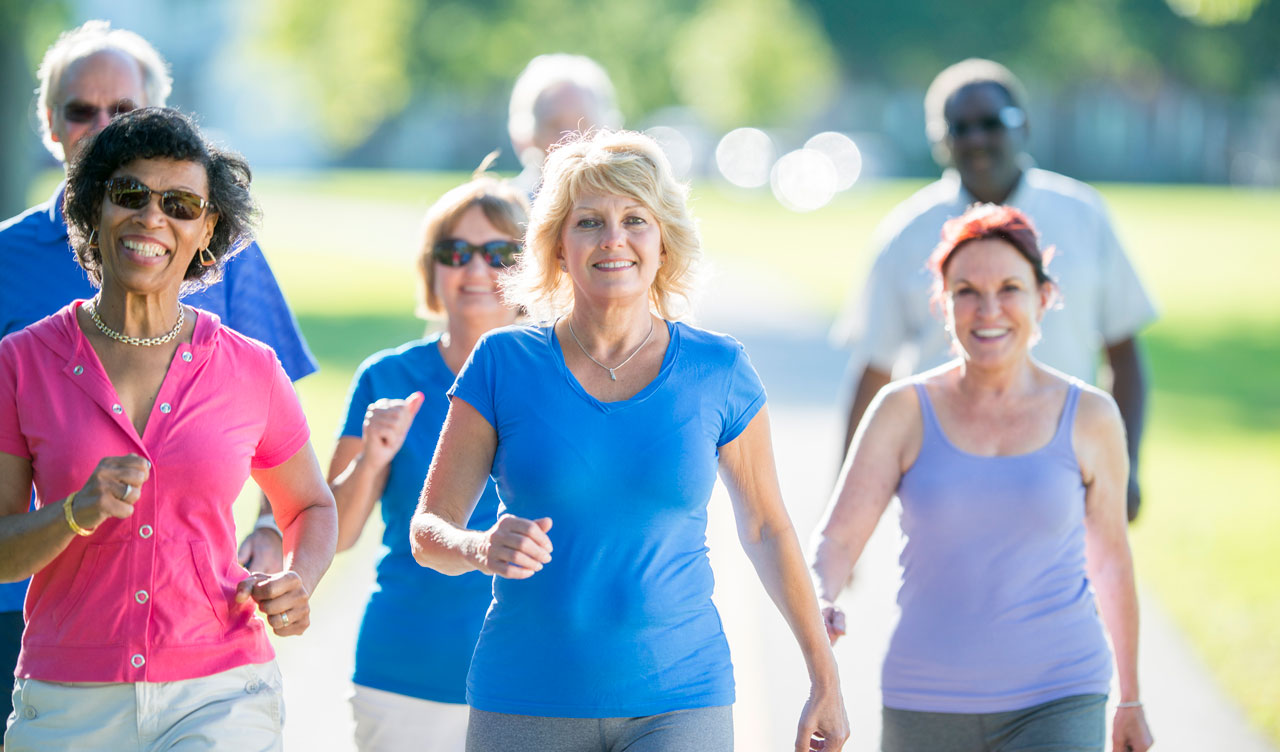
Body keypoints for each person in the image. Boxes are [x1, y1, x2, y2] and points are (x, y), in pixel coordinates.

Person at [410, 130, 848, 752]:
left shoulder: (718, 369)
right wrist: (480, 546)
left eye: (634, 219)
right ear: (558, 246)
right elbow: (429, 530)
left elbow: (767, 529)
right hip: (525, 697)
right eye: (589, 221)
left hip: (680, 699)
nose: (613, 239)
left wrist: (823, 678)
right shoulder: (503, 362)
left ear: (663, 240)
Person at [0, 22, 316, 728]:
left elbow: (299, 488)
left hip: (218, 684)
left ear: (208, 232)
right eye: (130, 194)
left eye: (180, 206)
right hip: (61, 666)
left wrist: (286, 559)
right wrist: (75, 511)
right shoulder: (20, 349)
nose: (153, 217)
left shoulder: (247, 350)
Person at [812, 204, 1153, 752]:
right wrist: (820, 596)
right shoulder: (902, 409)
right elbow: (838, 538)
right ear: (942, 306)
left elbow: (1111, 558)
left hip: (1060, 694)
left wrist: (1131, 698)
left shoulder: (1091, 415)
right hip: (923, 697)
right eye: (966, 290)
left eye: (1010, 288)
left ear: (1044, 298)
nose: (987, 308)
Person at [830, 58, 1156, 521]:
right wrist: (846, 504)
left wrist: (1126, 466)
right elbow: (873, 370)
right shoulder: (905, 234)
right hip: (942, 479)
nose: (976, 139)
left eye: (991, 123)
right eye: (959, 128)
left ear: (1023, 126)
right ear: (939, 139)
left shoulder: (1084, 216)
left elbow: (1123, 355)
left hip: (1063, 474)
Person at [328, 169, 528, 751]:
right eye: (454, 251)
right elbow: (333, 536)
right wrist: (369, 460)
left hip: (536, 680)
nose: (474, 270)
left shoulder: (566, 377)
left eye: (499, 253)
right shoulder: (386, 378)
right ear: (431, 268)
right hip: (405, 673)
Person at [507, 53, 622, 197]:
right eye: (554, 125)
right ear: (531, 135)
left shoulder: (624, 203)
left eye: (582, 124)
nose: (570, 138)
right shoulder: (509, 209)